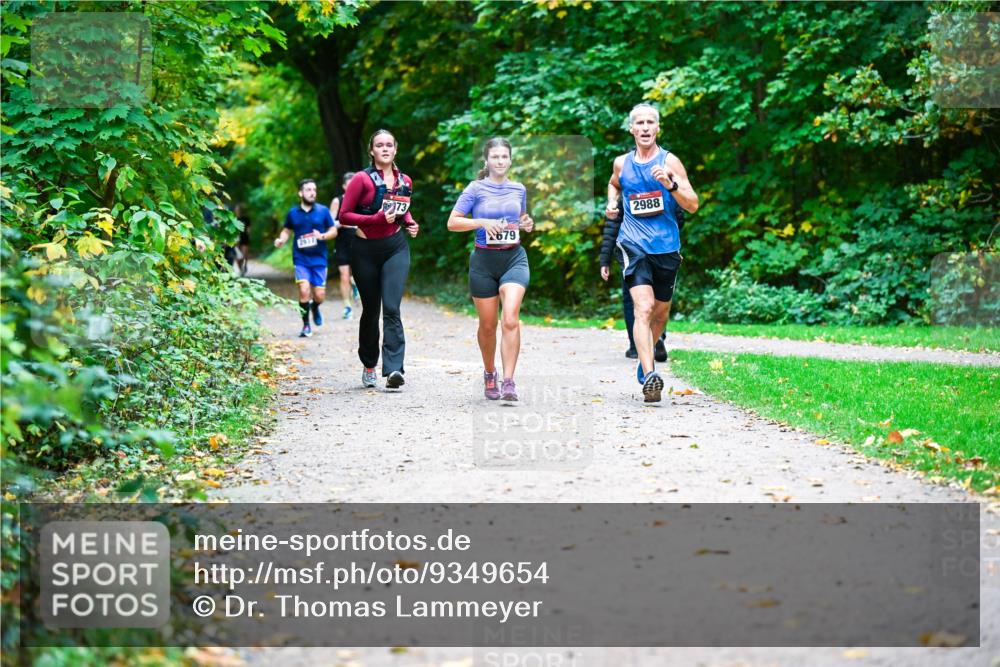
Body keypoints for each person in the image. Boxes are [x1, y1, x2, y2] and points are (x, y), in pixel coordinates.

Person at [606, 103, 699, 402]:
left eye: (650, 122)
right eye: (640, 123)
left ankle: (644, 362)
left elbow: (693, 204)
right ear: (631, 129)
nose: (645, 127)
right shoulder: (622, 163)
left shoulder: (670, 162)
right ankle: (649, 375)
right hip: (632, 244)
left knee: (661, 313)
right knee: (643, 308)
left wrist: (670, 185)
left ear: (658, 128)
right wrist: (612, 202)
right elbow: (614, 184)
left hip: (666, 247)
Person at [447, 137, 534, 401]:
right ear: (487, 160)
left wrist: (526, 222)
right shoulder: (475, 189)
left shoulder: (518, 188)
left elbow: (520, 218)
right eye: (495, 157)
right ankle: (489, 373)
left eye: (504, 156)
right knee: (488, 326)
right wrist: (481, 222)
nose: (500, 161)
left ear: (510, 160)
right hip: (484, 262)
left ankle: (509, 381)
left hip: (514, 259)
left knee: (511, 318)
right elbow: (452, 222)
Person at [339, 130, 419, 390]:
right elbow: (344, 215)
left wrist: (409, 222)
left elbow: (402, 209)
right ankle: (369, 364)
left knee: (392, 308)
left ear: (396, 149)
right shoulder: (361, 179)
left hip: (395, 247)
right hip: (365, 250)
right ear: (371, 151)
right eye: (379, 145)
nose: (385, 149)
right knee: (371, 311)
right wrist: (375, 219)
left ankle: (394, 369)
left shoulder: (404, 180)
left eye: (389, 145)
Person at [599, 195, 675, 361]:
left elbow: (612, 226)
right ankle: (656, 339)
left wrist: (605, 260)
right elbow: (678, 217)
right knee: (658, 299)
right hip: (661, 249)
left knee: (632, 300)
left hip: (632, 250)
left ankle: (636, 346)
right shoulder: (664, 186)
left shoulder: (626, 187)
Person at [273, 178, 337, 338]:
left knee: (320, 296)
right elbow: (286, 230)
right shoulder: (293, 213)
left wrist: (322, 236)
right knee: (303, 290)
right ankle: (306, 325)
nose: (312, 193)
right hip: (300, 258)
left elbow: (333, 230)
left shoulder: (323, 211)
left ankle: (314, 306)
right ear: (300, 193)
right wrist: (281, 239)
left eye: (314, 190)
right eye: (308, 190)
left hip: (319, 259)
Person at [330, 172, 358, 320]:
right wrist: (342, 222)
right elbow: (329, 224)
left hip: (359, 241)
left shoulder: (364, 201)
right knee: (344, 275)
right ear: (344, 186)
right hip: (342, 242)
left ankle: (355, 284)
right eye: (350, 184)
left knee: (360, 274)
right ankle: (347, 307)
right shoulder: (337, 201)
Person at [234, 203, 251, 276]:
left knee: (244, 254)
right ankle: (240, 269)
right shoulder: (234, 219)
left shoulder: (246, 219)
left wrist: (248, 235)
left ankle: (245, 265)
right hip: (236, 239)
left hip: (244, 238)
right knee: (238, 255)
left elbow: (249, 229)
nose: (238, 211)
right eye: (237, 210)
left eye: (239, 210)